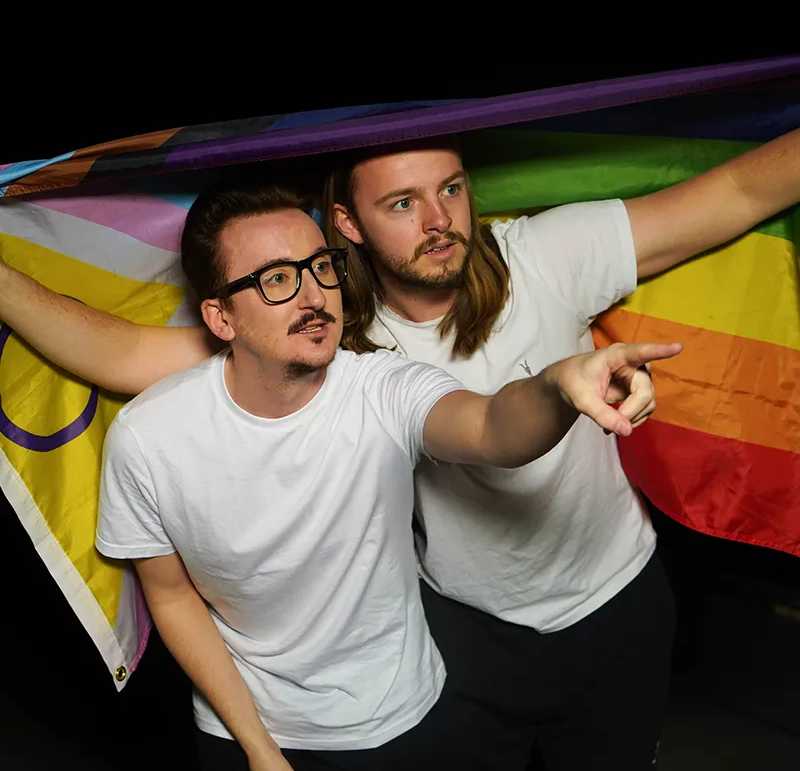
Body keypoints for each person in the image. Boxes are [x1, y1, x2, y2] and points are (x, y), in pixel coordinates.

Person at [0, 126, 797, 769]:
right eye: (402, 203)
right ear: (347, 223)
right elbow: (124, 355)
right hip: (464, 634)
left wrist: (562, 384)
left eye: (451, 189)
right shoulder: (333, 330)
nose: (438, 221)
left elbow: (736, 192)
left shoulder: (549, 253)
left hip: (616, 604)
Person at [94, 179, 678, 771]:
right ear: (220, 317)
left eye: (320, 267)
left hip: (406, 717)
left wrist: (558, 385)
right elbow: (171, 596)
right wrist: (259, 748)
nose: (313, 296)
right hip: (245, 728)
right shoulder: (149, 438)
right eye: (276, 279)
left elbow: (491, 427)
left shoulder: (382, 386)